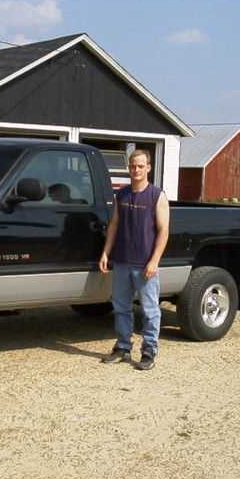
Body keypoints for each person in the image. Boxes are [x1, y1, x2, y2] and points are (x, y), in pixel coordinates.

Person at [99, 149, 169, 371]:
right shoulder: (122, 194)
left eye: (140, 166)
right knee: (121, 307)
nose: (136, 170)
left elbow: (163, 230)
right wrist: (106, 253)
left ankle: (149, 352)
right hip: (121, 261)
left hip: (145, 264)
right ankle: (122, 348)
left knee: (150, 310)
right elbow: (114, 225)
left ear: (148, 167)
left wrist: (154, 260)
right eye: (132, 166)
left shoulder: (157, 195)